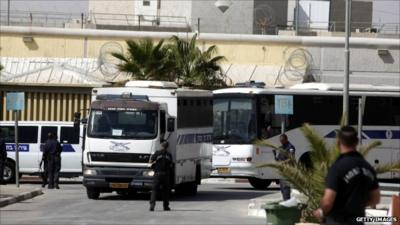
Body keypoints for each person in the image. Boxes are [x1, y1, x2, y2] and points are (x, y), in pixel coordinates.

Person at [313, 126, 380, 225]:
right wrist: (357, 205)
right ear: (357, 142)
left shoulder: (337, 167)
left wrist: (320, 212)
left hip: (338, 221)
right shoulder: (367, 167)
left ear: (338, 143)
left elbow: (328, 201)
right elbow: (376, 199)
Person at [149, 141, 173, 211]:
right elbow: (170, 165)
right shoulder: (169, 154)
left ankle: (152, 205)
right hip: (165, 175)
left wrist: (155, 162)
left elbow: (150, 161)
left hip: (157, 174)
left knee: (154, 190)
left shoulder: (157, 153)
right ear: (167, 146)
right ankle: (166, 206)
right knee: (165, 191)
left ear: (161, 145)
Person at [274, 134, 296, 201]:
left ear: (286, 139)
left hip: (288, 170)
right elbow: (279, 158)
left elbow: (291, 158)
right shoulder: (281, 147)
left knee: (286, 188)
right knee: (282, 188)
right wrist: (275, 156)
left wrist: (283, 162)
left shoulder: (290, 147)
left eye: (283, 141)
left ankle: (287, 201)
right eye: (281, 141)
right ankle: (285, 200)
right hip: (282, 170)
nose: (281, 142)